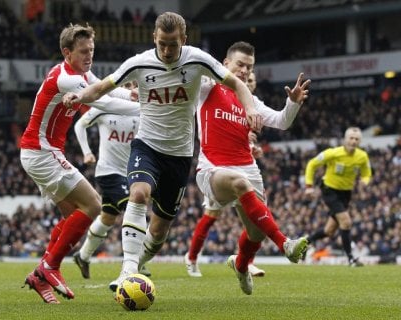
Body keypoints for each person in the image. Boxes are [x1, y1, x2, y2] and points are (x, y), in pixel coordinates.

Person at [63, 12, 261, 292]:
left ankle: (140, 261)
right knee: (139, 193)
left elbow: (238, 83)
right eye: (162, 44)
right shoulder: (140, 63)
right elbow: (103, 86)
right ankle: (127, 269)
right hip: (147, 145)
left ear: (184, 40)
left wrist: (250, 108)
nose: (167, 51)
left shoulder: (198, 59)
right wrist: (79, 96)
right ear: (154, 38)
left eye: (173, 45)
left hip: (179, 155)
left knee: (158, 232)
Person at [20, 23, 139, 304]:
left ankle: (42, 275)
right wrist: (149, 106)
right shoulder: (67, 79)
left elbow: (104, 90)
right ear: (67, 52)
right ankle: (49, 266)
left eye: (92, 51)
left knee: (72, 215)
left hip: (40, 151)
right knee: (94, 206)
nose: (89, 56)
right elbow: (104, 103)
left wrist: (133, 94)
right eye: (84, 51)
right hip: (41, 151)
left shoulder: (79, 73)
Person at [184, 41, 310, 294]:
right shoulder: (207, 87)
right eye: (239, 64)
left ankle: (241, 265)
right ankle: (285, 244)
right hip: (212, 169)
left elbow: (282, 122)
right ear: (226, 63)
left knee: (256, 234)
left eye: (249, 67)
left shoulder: (250, 100)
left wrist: (293, 103)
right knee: (239, 184)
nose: (244, 71)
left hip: (248, 166)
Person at [72, 82, 145, 279]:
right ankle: (136, 261)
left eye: (135, 84)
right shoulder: (104, 107)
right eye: (128, 84)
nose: (132, 89)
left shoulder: (141, 110)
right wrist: (87, 152)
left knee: (108, 217)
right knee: (133, 206)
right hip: (108, 171)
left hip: (130, 172)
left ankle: (83, 256)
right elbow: (80, 125)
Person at [304, 127, 371, 267]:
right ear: (345, 139)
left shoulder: (362, 156)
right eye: (351, 138)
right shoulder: (333, 153)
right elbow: (312, 164)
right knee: (346, 222)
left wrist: (365, 181)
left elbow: (366, 173)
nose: (353, 141)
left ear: (360, 141)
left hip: (346, 194)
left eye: (356, 139)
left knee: (329, 231)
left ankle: (304, 243)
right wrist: (309, 187)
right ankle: (351, 259)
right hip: (329, 190)